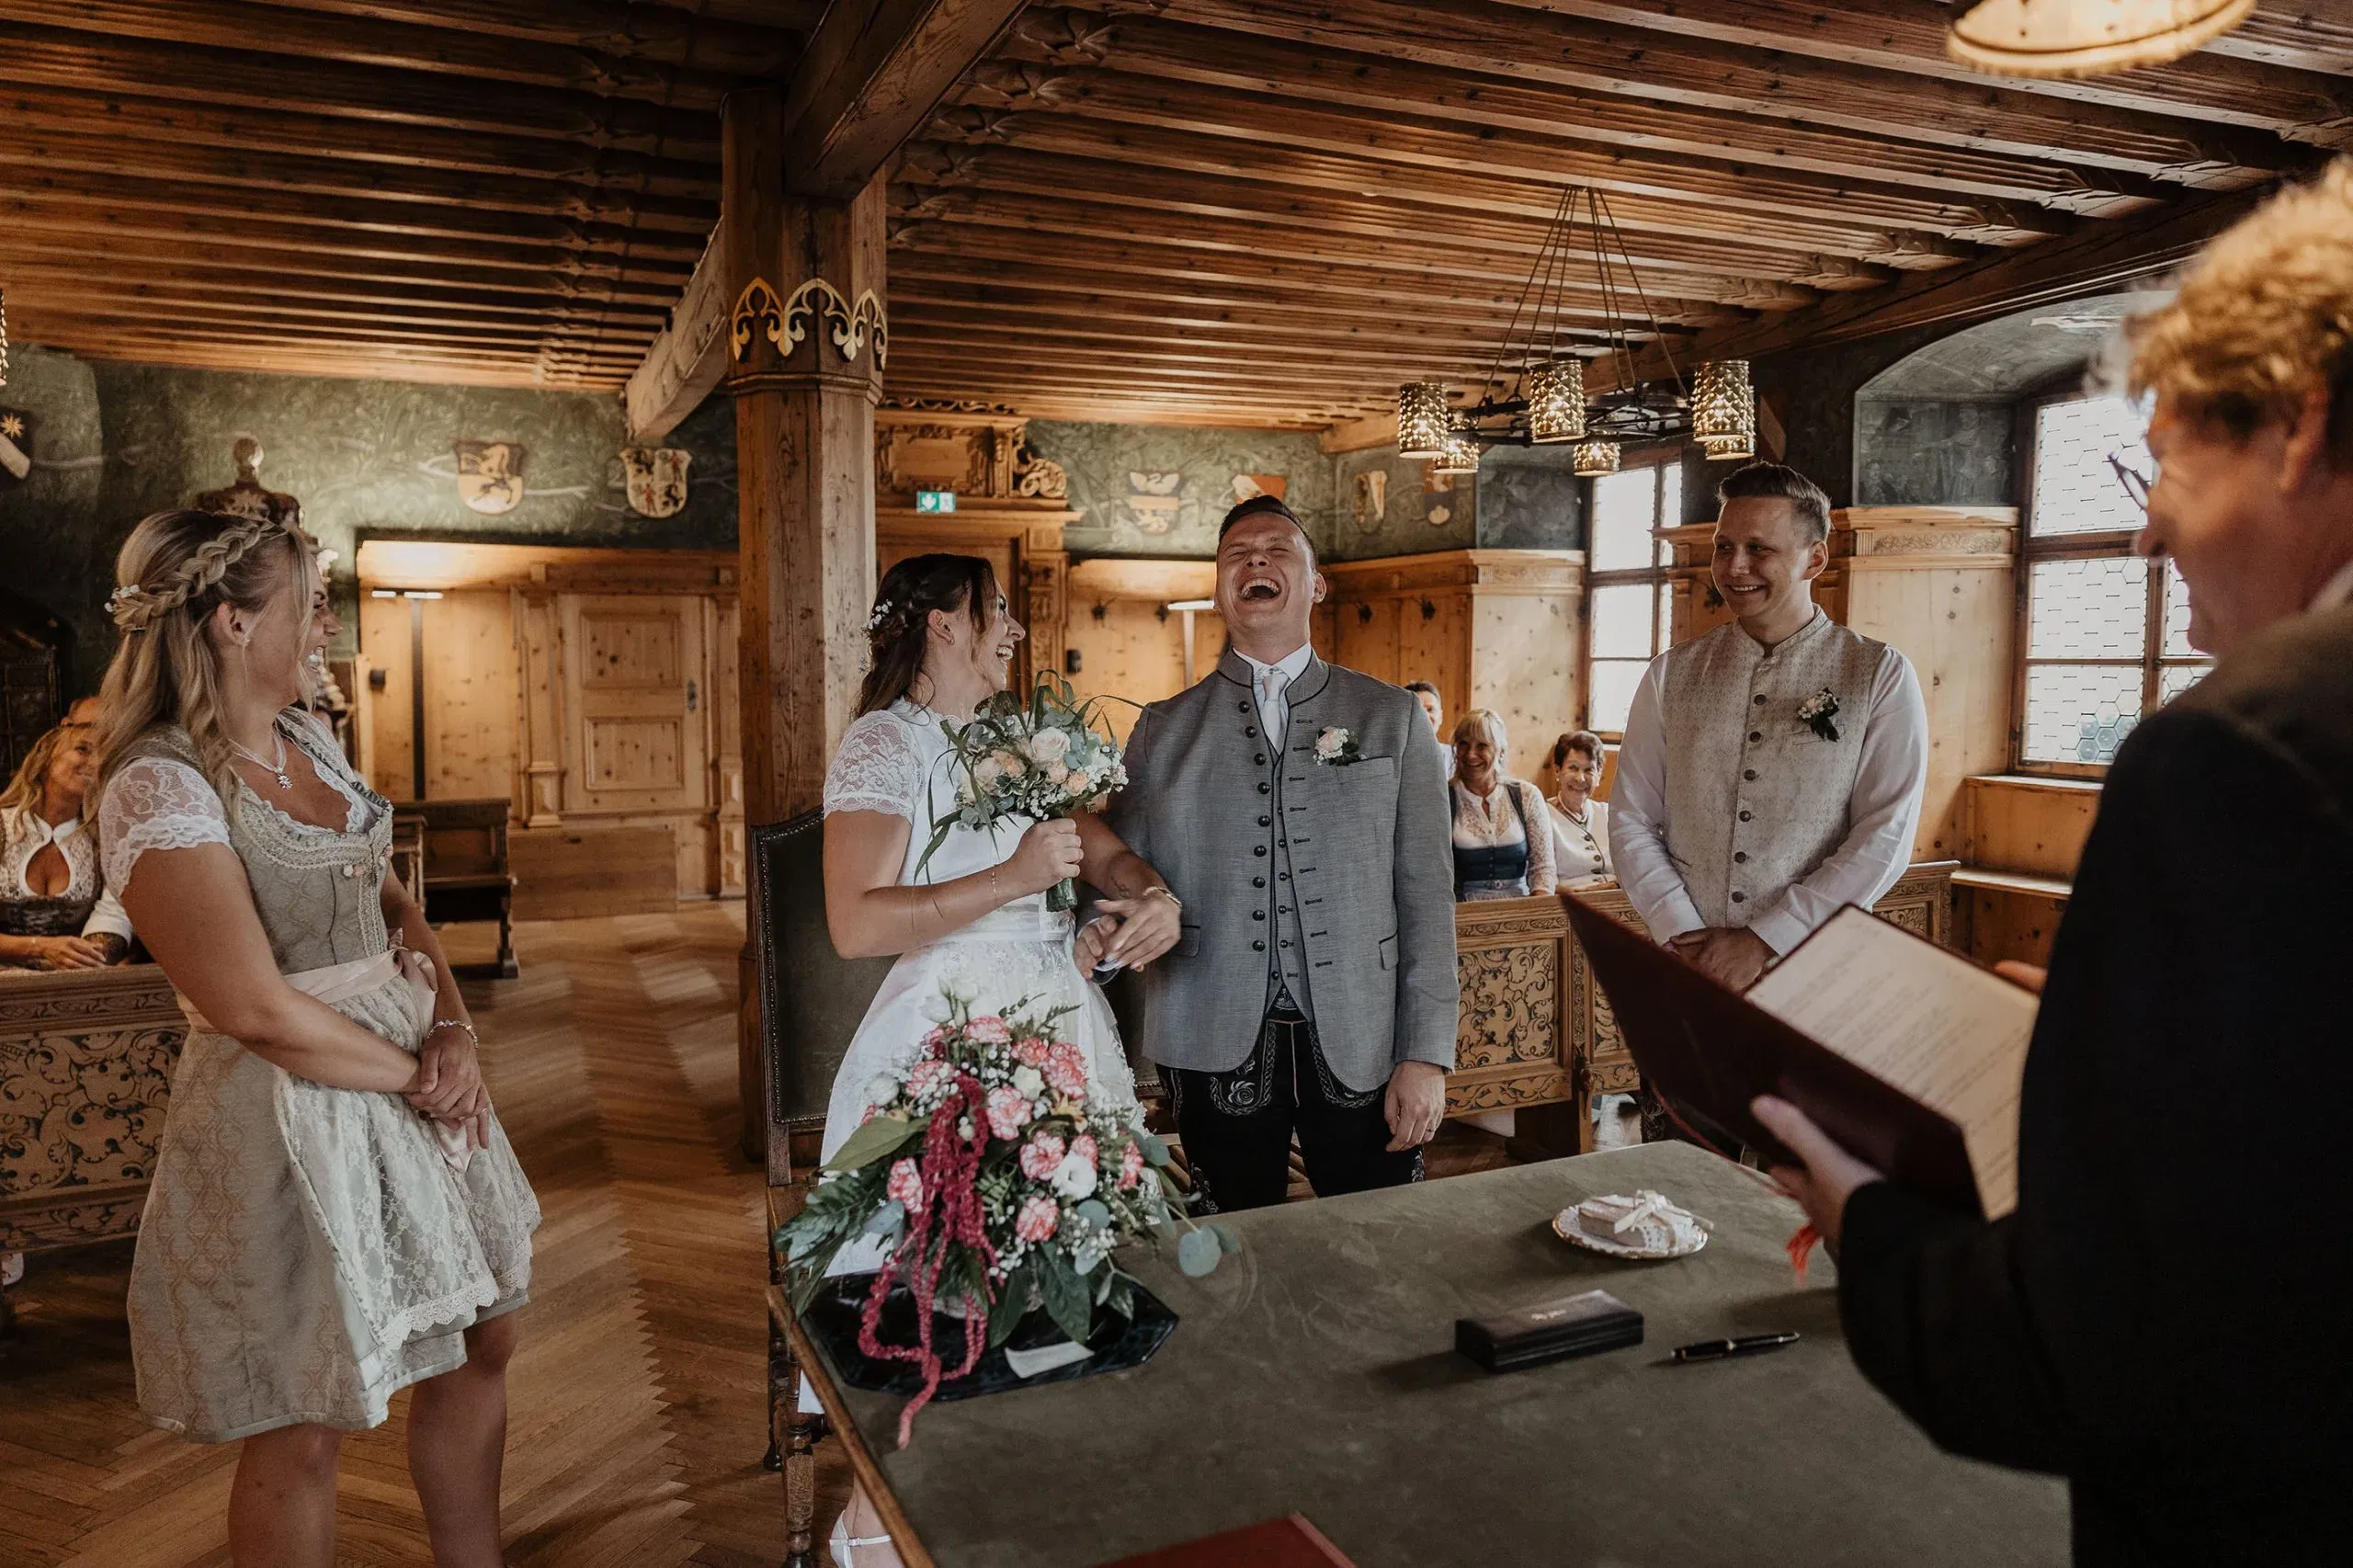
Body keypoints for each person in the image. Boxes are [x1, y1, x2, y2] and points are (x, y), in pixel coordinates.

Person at [1754, 165, 2353, 1564]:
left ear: (2303, 424)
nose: (2145, 529)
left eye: (2164, 466)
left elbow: (2093, 1352)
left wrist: (1873, 1219)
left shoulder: (2244, 754)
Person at [92, 508, 540, 1568]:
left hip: (410, 1071)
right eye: (311, 604)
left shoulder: (308, 737)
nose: (328, 629)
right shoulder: (158, 784)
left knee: (485, 1334)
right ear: (231, 624)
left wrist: (455, 1035)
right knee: (305, 1406)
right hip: (285, 1112)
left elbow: (395, 906)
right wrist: (415, 1079)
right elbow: (253, 1007)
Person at [817, 552, 1178, 1567]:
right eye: (997, 609)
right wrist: (1014, 876)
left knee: (1051, 1304)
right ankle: (867, 1540)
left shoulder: (1018, 739)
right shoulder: (884, 743)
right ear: (940, 621)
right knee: (934, 1314)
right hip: (948, 1046)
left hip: (1058, 1030)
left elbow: (1100, 854)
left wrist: (1146, 896)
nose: (1014, 626)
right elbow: (854, 921)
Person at [1108, 495, 1457, 1211]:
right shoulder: (1160, 731)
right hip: (1209, 1033)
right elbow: (1116, 877)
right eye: (1237, 553)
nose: (1256, 560)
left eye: (1277, 549)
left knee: (1379, 1239)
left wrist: (1425, 1055)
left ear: (1317, 583)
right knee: (1235, 1248)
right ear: (1219, 588)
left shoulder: (1388, 717)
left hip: (1366, 1035)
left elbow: (1426, 898)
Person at [1608, 462, 1927, 990]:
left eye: (1759, 549)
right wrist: (1684, 935)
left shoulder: (1879, 673)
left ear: (1815, 559)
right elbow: (1631, 818)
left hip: (1821, 971)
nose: (1735, 567)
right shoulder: (1672, 672)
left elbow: (1886, 832)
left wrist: (1768, 939)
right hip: (1685, 965)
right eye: (1723, 547)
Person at [0, 724, 110, 970]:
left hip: (69, 985)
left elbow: (117, 917)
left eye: (104, 756)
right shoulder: (2, 826)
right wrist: (39, 947)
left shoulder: (101, 840)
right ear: (45, 759)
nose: (95, 763)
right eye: (83, 750)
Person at [1449, 709, 1556, 900]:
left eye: (1482, 746)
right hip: (1462, 911)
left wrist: (1539, 915)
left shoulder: (1527, 795)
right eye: (1464, 744)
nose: (1471, 755)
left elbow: (1543, 868)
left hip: (1521, 907)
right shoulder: (1444, 798)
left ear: (1501, 751)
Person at [1544, 730, 1612, 887]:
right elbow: (1539, 880)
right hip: (1570, 905)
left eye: (1589, 770)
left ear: (1599, 775)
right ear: (1557, 770)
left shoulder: (1608, 814)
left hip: (1617, 900)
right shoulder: (1542, 816)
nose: (1580, 778)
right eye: (1573, 768)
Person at [1405, 679, 1454, 779]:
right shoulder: (1393, 758)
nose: (1425, 716)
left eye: (1430, 709)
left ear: (1440, 717)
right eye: (1417, 710)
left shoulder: (1456, 757)